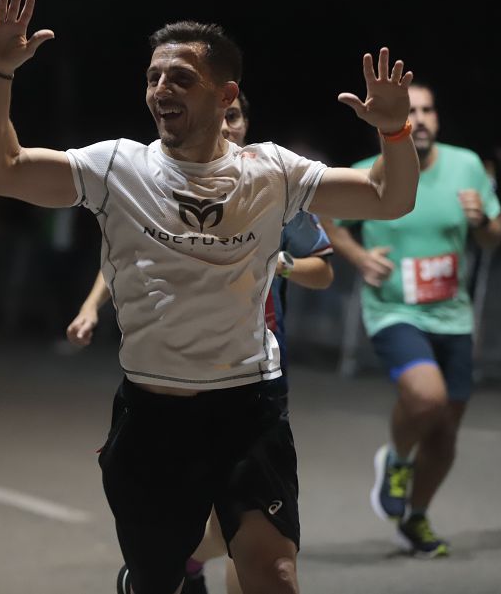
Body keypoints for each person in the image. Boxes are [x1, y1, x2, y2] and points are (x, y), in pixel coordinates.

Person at [0, 0, 418, 594]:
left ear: (225, 93)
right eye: (154, 77)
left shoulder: (271, 171)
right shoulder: (116, 168)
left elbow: (388, 198)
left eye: (180, 78)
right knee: (159, 579)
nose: (161, 90)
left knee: (275, 573)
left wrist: (395, 133)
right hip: (154, 414)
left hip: (248, 407)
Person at [66, 91, 334, 594]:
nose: (227, 126)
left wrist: (282, 262)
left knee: (255, 539)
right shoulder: (155, 178)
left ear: (245, 123)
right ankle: (175, 563)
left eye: (235, 117)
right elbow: (122, 257)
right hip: (177, 382)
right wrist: (89, 307)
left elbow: (324, 269)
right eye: (222, 116)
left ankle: (186, 561)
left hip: (255, 373)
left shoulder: (273, 183)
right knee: (206, 514)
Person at [322, 81, 501, 556]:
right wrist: (360, 258)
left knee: (445, 434)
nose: (419, 119)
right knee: (427, 399)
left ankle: (416, 519)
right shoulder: (369, 171)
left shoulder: (466, 165)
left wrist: (484, 221)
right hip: (394, 310)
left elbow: (492, 237)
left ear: (437, 119)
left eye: (427, 110)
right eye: (411, 110)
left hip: (454, 316)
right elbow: (329, 223)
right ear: (398, 118)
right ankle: (399, 460)